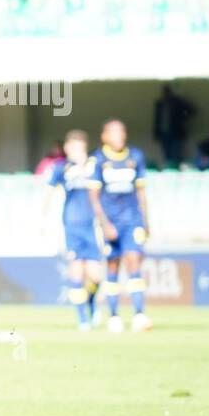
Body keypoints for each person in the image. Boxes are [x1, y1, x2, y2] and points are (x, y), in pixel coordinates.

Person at [87, 119, 151, 333]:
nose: (119, 136)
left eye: (121, 132)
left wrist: (146, 220)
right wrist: (105, 224)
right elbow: (93, 197)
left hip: (132, 219)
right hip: (110, 221)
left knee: (134, 261)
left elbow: (141, 191)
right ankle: (114, 316)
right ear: (104, 136)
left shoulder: (136, 156)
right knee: (113, 265)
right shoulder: (97, 159)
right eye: (114, 132)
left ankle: (139, 314)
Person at [42, 131, 102, 330]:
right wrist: (43, 216)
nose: (73, 150)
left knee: (95, 276)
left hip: (93, 225)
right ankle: (82, 318)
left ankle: (91, 303)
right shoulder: (62, 168)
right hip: (72, 225)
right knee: (76, 270)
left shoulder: (94, 166)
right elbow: (49, 191)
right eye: (71, 146)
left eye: (78, 146)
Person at [153, 83, 195, 168]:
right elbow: (157, 119)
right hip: (164, 133)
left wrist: (182, 120)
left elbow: (190, 110)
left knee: (176, 155)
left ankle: (176, 171)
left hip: (175, 133)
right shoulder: (160, 103)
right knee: (167, 156)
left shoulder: (177, 101)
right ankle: (169, 171)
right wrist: (156, 133)